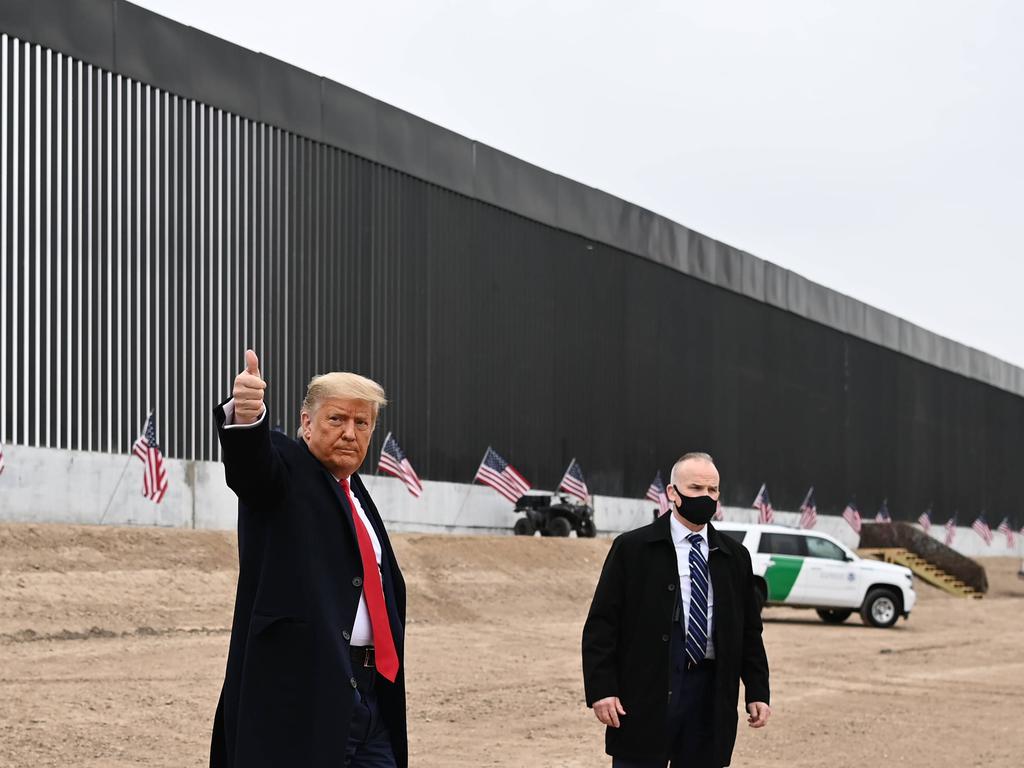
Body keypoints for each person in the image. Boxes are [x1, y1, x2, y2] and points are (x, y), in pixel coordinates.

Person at [209, 349, 407, 768]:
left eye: (362, 422)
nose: (350, 433)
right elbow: (252, 467)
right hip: (303, 697)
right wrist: (248, 418)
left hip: (371, 697)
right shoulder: (285, 469)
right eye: (337, 419)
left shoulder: (355, 494)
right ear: (306, 423)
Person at [582, 452, 770, 767]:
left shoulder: (734, 557)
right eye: (696, 489)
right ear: (673, 493)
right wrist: (602, 690)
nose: (706, 498)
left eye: (712, 491)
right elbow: (602, 625)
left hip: (709, 695)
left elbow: (750, 630)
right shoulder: (633, 549)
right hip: (646, 692)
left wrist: (758, 690)